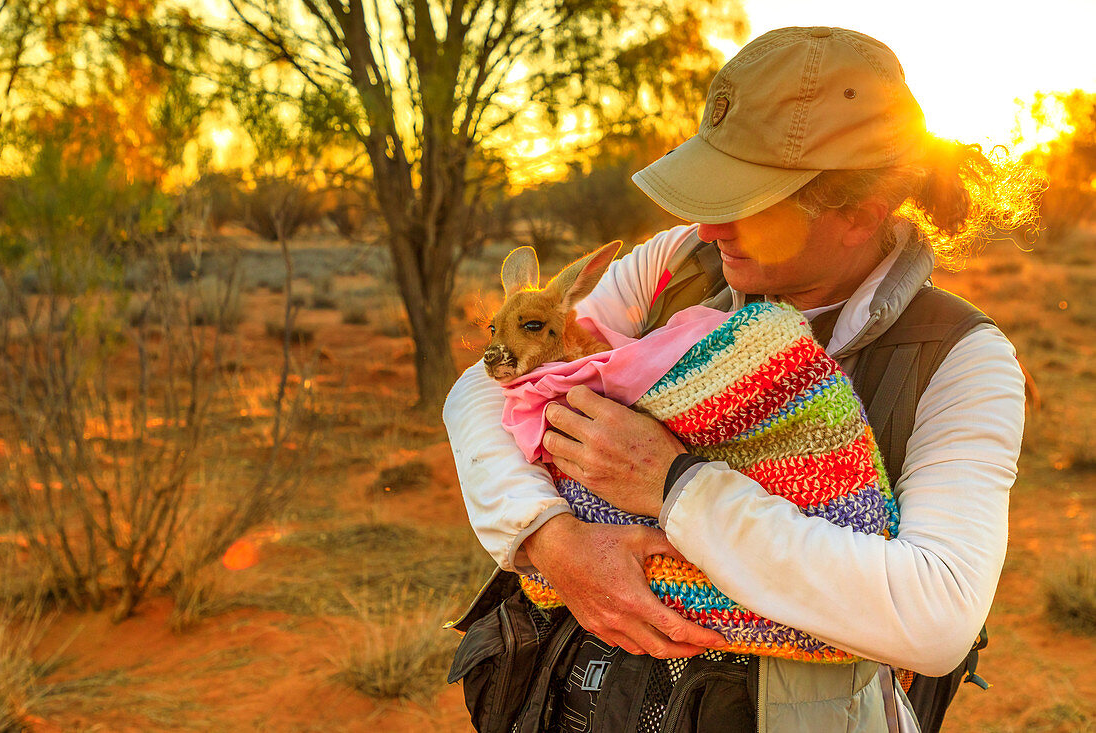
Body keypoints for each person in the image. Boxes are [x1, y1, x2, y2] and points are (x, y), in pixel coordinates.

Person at [444, 25, 1037, 733]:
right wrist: (550, 539)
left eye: (745, 198)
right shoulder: (678, 264)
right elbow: (485, 388)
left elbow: (934, 614)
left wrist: (676, 486)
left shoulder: (958, 359)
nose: (709, 221)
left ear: (859, 214)